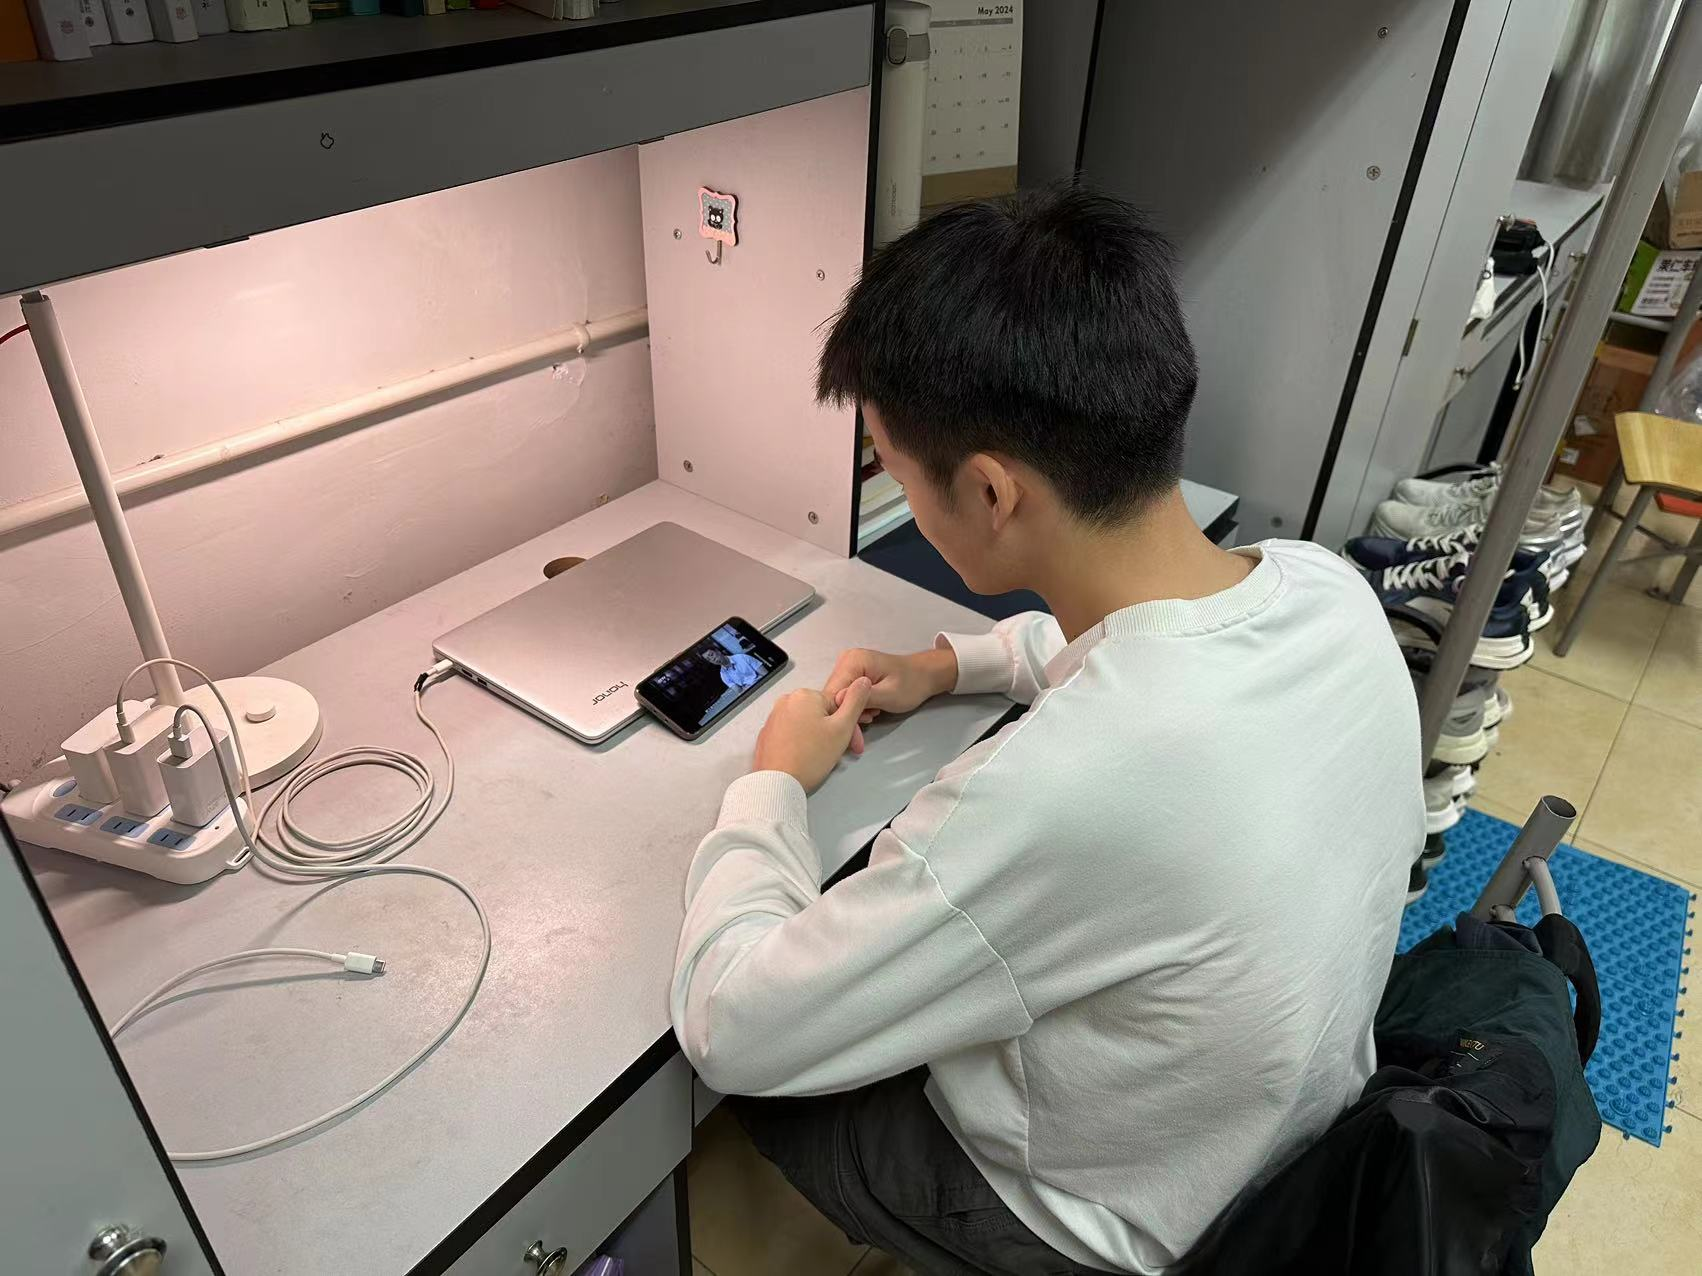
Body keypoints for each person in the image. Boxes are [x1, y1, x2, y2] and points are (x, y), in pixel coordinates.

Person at [669, 185, 1423, 1275]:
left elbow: (730, 1027)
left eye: (890, 466)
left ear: (988, 493)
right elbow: (1129, 639)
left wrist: (770, 786)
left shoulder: (1060, 787)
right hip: (1283, 1145)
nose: (897, 491)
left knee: (776, 1081)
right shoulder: (1324, 587)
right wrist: (949, 665)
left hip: (1112, 1222)